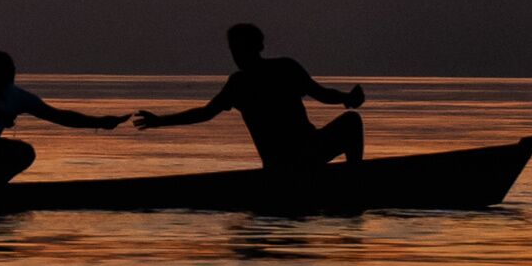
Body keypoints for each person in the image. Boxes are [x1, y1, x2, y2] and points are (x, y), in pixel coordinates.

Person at [130, 22, 366, 169]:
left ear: (257, 48)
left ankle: (353, 181)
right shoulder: (239, 83)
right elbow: (205, 113)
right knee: (351, 121)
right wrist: (160, 121)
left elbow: (323, 94)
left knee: (352, 120)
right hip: (280, 164)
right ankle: (352, 182)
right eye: (233, 50)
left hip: (309, 151)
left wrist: (347, 99)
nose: (236, 55)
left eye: (240, 49)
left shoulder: (283, 69)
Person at [0, 51, 127, 187]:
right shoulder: (14, 95)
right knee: (25, 152)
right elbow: (59, 116)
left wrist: (100, 122)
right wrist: (101, 122)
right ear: (11, 73)